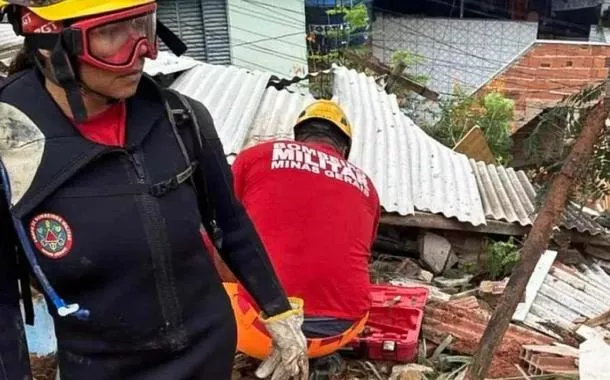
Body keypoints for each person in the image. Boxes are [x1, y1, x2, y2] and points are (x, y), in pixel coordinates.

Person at [0, 1, 308, 379]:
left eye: (142, 26)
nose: (139, 52)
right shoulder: (8, 147)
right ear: (51, 44)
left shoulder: (181, 120)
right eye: (111, 33)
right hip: (100, 367)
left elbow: (231, 223)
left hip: (207, 352)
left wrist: (278, 311)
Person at [228, 100, 380, 350]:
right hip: (340, 331)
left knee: (214, 245)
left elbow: (219, 225)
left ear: (298, 137)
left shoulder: (257, 156)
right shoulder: (367, 186)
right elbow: (365, 254)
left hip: (260, 329)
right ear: (343, 149)